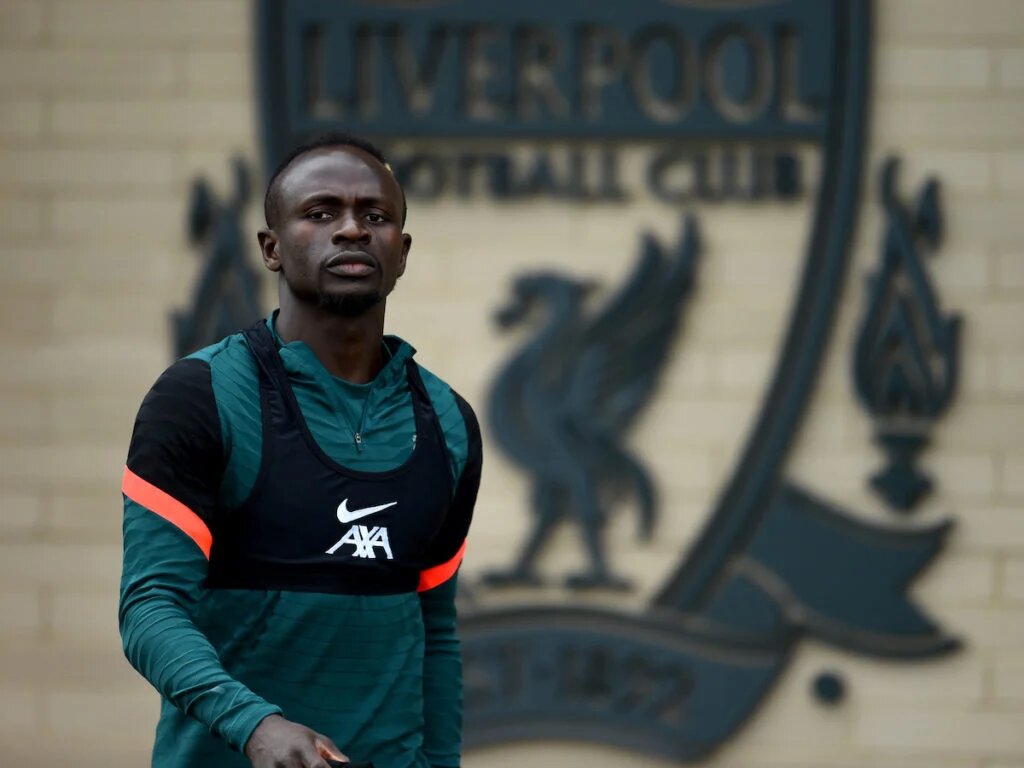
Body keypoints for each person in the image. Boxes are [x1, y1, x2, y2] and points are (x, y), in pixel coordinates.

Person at [119, 133, 481, 768]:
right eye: (320, 213)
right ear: (272, 248)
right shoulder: (200, 396)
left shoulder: (449, 423)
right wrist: (256, 725)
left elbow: (436, 632)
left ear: (402, 253)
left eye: (376, 216)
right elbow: (150, 608)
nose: (351, 230)